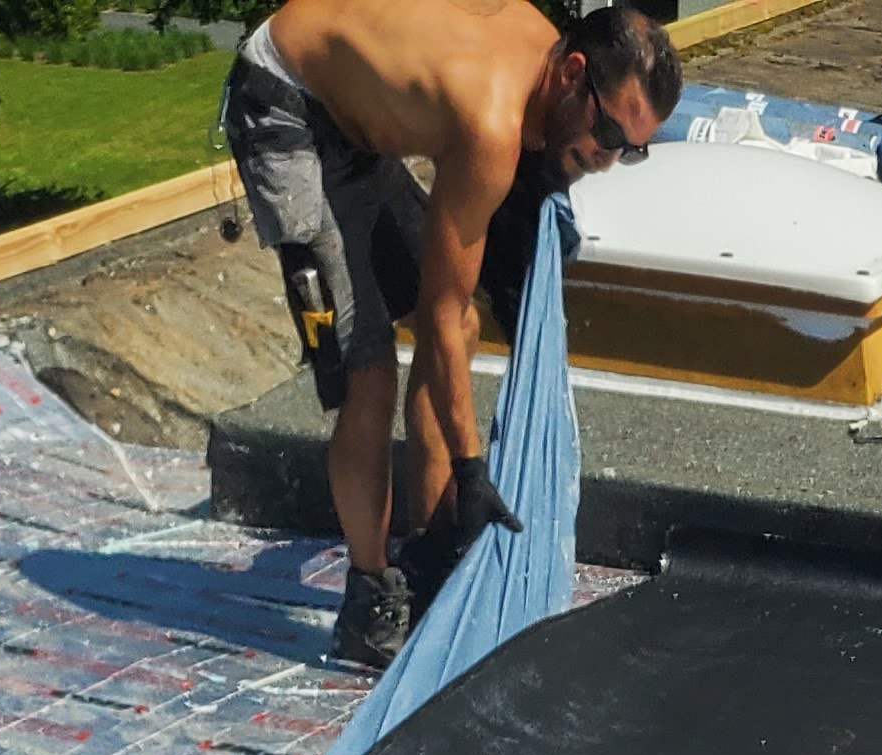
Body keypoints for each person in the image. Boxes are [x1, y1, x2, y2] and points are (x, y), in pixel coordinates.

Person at [224, 0, 681, 670]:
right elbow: (437, 306)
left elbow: (458, 309)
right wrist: (472, 468)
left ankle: (431, 549)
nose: (607, 160)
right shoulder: (490, 121)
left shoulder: (547, 66)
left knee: (464, 329)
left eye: (630, 150)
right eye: (608, 133)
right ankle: (370, 599)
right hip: (285, 103)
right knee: (367, 368)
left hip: (357, 115)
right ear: (573, 74)